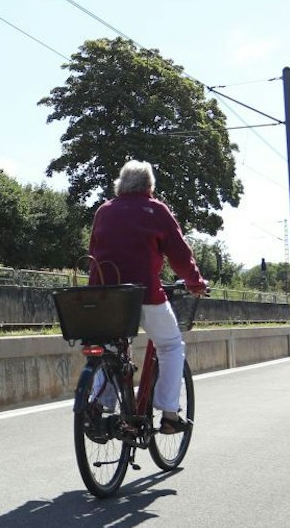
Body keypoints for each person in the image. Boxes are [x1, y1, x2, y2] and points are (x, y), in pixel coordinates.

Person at [86, 159, 208, 434]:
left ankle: (99, 405)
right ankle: (168, 414)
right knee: (170, 345)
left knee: (109, 349)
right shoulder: (155, 210)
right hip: (145, 294)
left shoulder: (104, 210)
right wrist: (195, 282)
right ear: (149, 187)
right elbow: (179, 253)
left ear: (121, 185)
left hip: (105, 296)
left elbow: (94, 251)